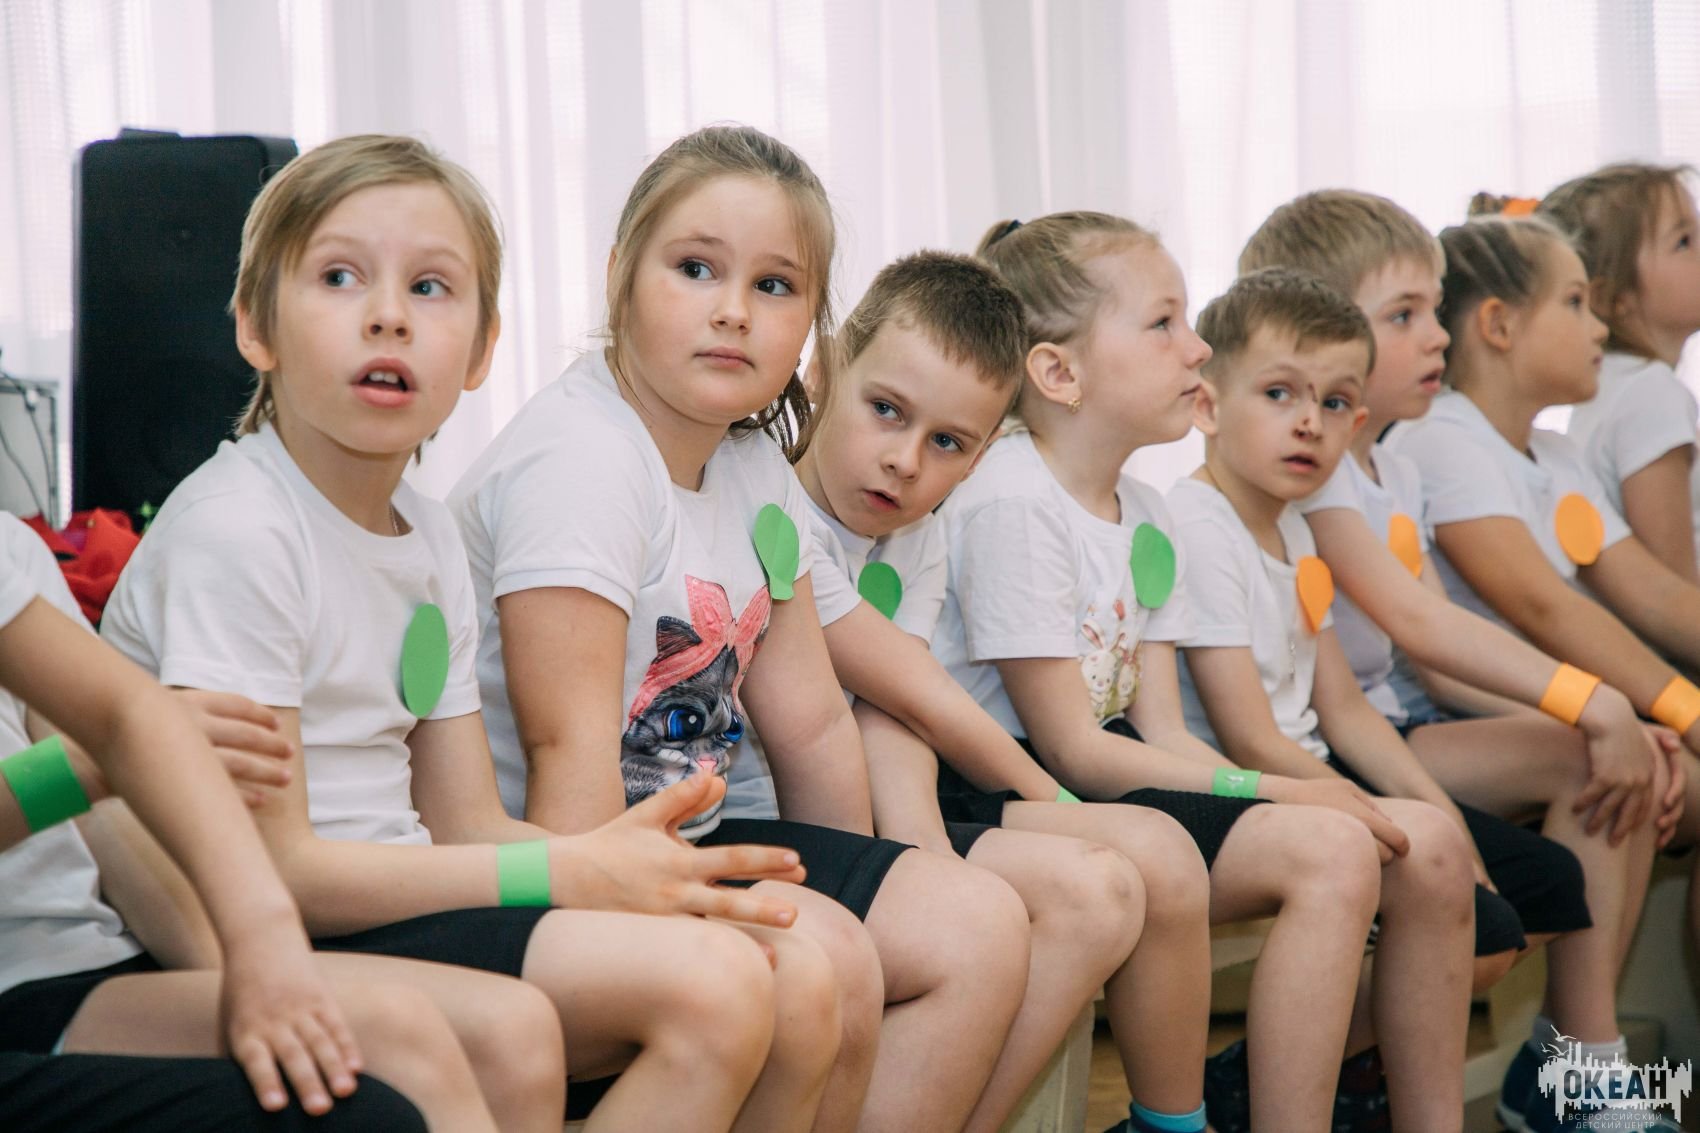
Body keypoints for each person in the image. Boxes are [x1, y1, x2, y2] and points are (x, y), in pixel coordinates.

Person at [101, 134, 816, 1132]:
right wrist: (561, 867)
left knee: (751, 973)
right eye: (340, 277)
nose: (388, 314)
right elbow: (275, 868)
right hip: (253, 927)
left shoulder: (428, 533)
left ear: (482, 351)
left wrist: (624, 863)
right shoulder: (239, 528)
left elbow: (464, 817)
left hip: (396, 896)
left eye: (430, 287)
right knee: (703, 990)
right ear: (255, 327)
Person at [449, 125, 1030, 1133]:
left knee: (974, 925)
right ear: (620, 275)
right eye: (695, 268)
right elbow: (564, 753)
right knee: (827, 961)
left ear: (812, 325)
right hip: (558, 856)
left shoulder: (754, 461)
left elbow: (810, 722)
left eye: (774, 285)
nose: (732, 310)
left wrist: (858, 885)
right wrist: (616, 956)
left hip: (691, 836)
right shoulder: (582, 459)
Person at [938, 210, 1425, 1131]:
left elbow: (1156, 729)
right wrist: (1282, 788)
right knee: (1301, 835)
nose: (1197, 348)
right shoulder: (1011, 499)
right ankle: (1173, 1120)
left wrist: (1297, 796)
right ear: (1059, 372)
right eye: (1163, 323)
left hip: (1104, 767)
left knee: (1336, 848)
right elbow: (1071, 748)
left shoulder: (1148, 510)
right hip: (998, 781)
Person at [1238, 190, 1671, 1130]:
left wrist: (1608, 719)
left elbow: (1434, 662)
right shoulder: (1317, 477)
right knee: (1584, 759)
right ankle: (1304, 1062)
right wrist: (1592, 701)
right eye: (1405, 315)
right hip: (1327, 748)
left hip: (1394, 725)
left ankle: (1578, 1062)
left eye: (1434, 309)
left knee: (1606, 755)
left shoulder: (1393, 466)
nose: (1439, 335)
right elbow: (1420, 624)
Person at [789, 250, 1213, 1133]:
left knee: (1104, 891)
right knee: (1028, 900)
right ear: (825, 370)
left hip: (859, 813)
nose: (904, 461)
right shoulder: (775, 509)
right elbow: (923, 698)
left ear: (981, 454)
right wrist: (1030, 811)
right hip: (782, 822)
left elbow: (895, 723)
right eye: (885, 410)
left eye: (947, 443)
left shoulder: (921, 536)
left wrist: (922, 853)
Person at [0, 513, 510, 1131]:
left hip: (89, 960)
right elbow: (292, 863)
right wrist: (547, 872)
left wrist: (248, 958)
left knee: (490, 1032)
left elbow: (120, 734)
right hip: (29, 986)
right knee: (402, 1086)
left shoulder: (11, 548)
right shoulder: (230, 525)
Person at [1383, 211, 1700, 975]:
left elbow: (1653, 595)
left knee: (1649, 760)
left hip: (1533, 712)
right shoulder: (1442, 437)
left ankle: (1584, 1034)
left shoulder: (1553, 454)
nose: (1599, 328)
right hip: (1452, 718)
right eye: (1575, 303)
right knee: (1625, 761)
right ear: (1498, 324)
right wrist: (1682, 713)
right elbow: (1542, 606)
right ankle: (1580, 1038)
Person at [1541, 166, 1700, 582]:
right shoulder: (1651, 394)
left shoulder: (1613, 383)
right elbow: (1673, 582)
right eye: (1684, 242)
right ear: (1613, 297)